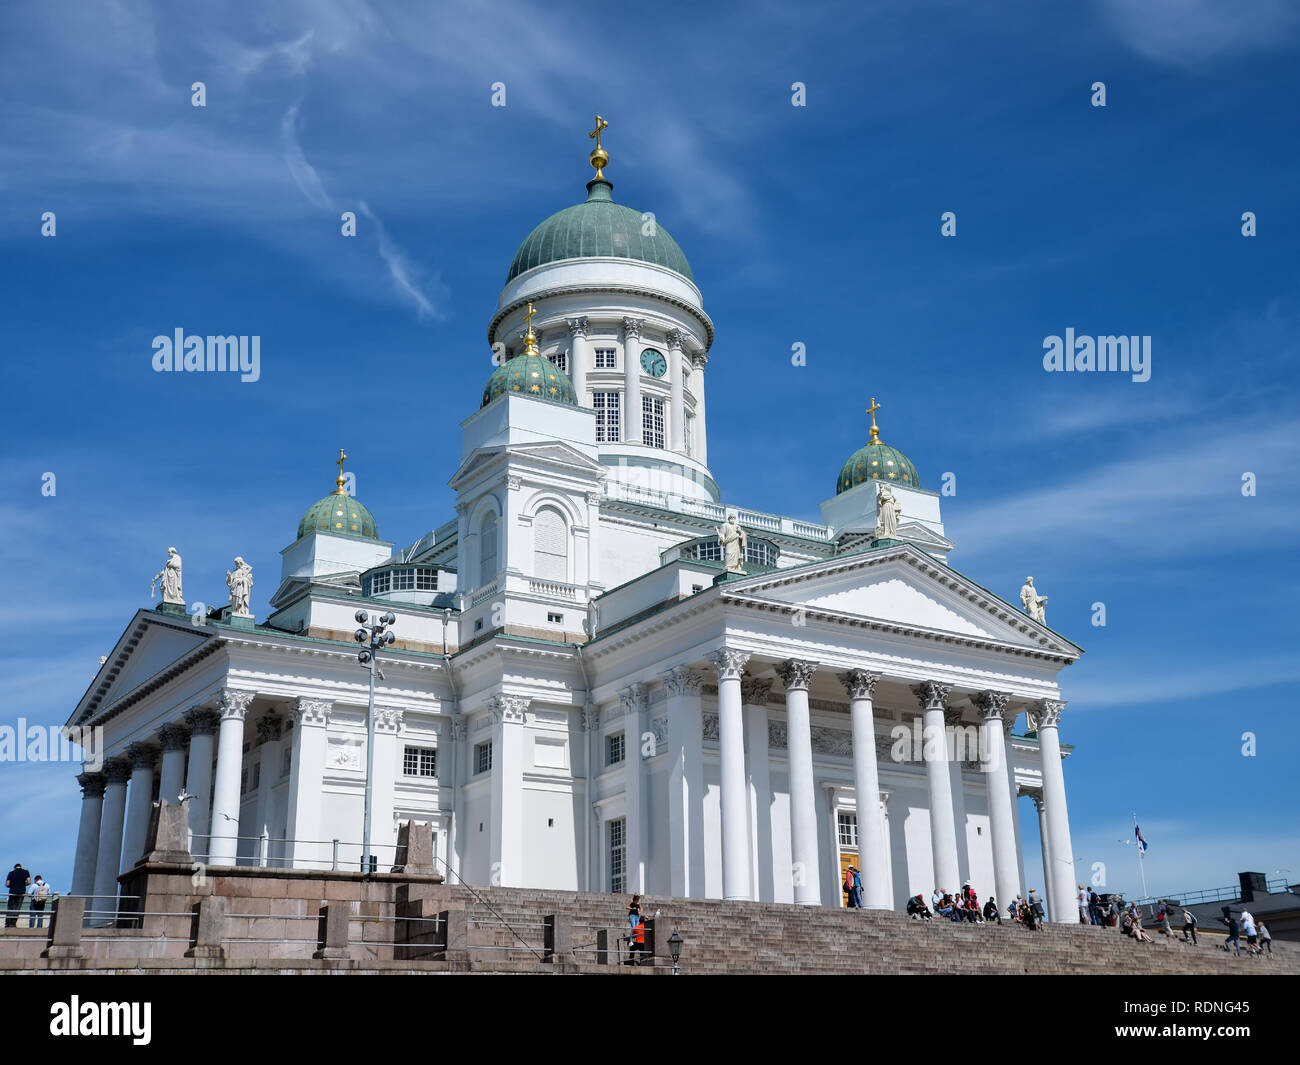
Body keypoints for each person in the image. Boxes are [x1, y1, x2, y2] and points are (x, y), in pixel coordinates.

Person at [5, 864, 30, 928]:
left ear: (14, 868)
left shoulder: (11, 873)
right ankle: (13, 923)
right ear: (21, 867)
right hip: (21, 892)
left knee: (10, 907)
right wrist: (23, 884)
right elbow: (29, 882)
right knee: (17, 908)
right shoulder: (26, 872)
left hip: (12, 892)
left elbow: (7, 884)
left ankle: (8, 923)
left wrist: (12, 885)